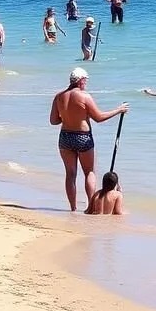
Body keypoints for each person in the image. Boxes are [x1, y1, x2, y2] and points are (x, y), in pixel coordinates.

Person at [48, 67, 129, 212]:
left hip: (65, 136)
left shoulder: (59, 96)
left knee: (70, 174)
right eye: (85, 80)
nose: (86, 83)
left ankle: (73, 208)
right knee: (89, 172)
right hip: (82, 137)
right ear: (80, 81)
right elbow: (98, 117)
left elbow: (54, 121)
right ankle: (91, 207)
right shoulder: (84, 96)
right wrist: (118, 110)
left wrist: (68, 117)